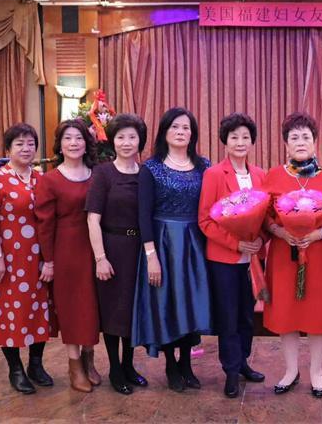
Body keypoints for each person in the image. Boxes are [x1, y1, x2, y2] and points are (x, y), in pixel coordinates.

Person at [263, 112, 322, 398]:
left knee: (316, 313)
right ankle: (290, 370)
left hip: (317, 255)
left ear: (314, 142)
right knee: (286, 311)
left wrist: (319, 233)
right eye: (294, 137)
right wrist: (278, 230)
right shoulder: (274, 176)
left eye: (305, 137)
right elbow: (264, 214)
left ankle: (316, 372)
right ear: (286, 144)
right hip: (283, 254)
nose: (300, 142)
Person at [131, 107, 212, 392]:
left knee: (191, 303)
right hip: (163, 244)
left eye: (186, 127)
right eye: (175, 127)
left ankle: (186, 364)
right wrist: (151, 256)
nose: (181, 132)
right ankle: (170, 365)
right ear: (165, 131)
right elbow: (143, 215)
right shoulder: (151, 168)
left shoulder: (204, 166)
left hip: (195, 244)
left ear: (193, 134)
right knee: (166, 304)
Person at [0, 124, 53, 394]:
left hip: (38, 259)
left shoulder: (41, 179)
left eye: (31, 143)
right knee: (9, 311)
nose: (26, 148)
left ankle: (36, 364)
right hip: (9, 259)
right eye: (19, 143)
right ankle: (16, 369)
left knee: (39, 310)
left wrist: (49, 258)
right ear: (8, 149)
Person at [198, 113, 266, 398]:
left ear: (252, 141)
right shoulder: (214, 174)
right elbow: (205, 220)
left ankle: (243, 362)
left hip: (254, 260)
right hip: (224, 259)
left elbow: (266, 218)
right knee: (228, 315)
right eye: (234, 137)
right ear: (225, 142)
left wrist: (261, 239)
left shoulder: (260, 175)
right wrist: (236, 244)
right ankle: (230, 370)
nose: (240, 142)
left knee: (247, 315)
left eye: (245, 137)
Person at [35, 119, 101, 393]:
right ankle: (74, 365)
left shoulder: (97, 174)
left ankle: (89, 358)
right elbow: (44, 224)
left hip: (96, 247)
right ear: (60, 145)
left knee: (93, 305)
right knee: (73, 307)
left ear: (87, 143)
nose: (73, 143)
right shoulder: (50, 180)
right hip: (66, 250)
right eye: (67, 138)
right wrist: (49, 261)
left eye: (79, 138)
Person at [86, 114, 149, 395]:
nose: (126, 142)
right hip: (112, 248)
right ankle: (114, 368)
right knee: (114, 311)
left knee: (133, 310)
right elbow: (92, 219)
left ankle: (129, 365)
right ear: (112, 141)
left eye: (132, 137)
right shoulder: (103, 173)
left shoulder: (145, 174)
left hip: (139, 250)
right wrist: (100, 258)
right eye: (121, 137)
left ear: (140, 141)